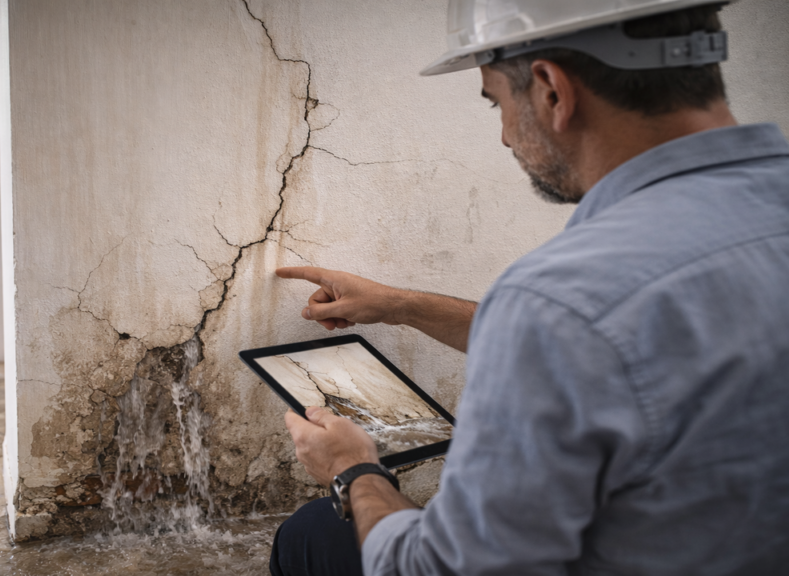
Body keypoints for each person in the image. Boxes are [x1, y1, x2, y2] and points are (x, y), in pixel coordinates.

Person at [269, 1, 789, 574]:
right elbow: (627, 338)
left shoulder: (557, 299)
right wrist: (401, 306)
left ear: (550, 90)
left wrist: (355, 472)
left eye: (496, 101)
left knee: (316, 532)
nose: (504, 136)